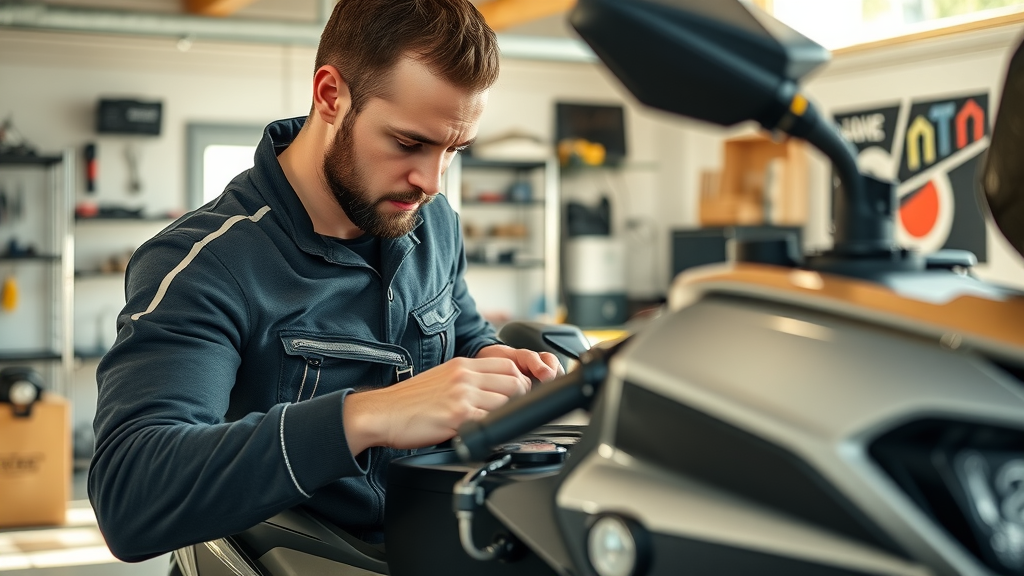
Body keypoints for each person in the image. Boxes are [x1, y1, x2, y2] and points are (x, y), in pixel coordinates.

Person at [88, 0, 562, 563]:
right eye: (409, 143)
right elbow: (130, 495)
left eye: (452, 151)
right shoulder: (206, 265)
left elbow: (459, 330)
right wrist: (369, 414)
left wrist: (496, 361)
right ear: (331, 95)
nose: (432, 181)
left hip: (431, 544)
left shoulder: (430, 221)